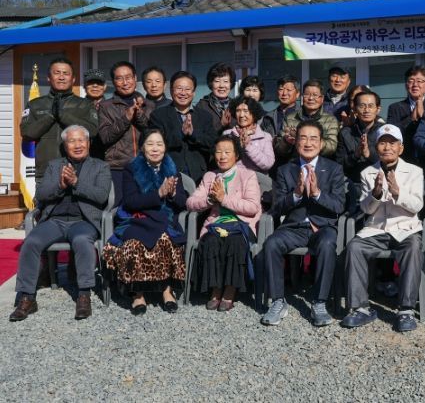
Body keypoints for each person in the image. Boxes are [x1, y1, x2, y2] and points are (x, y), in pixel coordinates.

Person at [9, 125, 111, 322]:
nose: (77, 145)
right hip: (55, 220)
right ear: (65, 146)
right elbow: (41, 194)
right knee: (31, 243)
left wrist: (76, 183)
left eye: (81, 140)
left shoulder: (101, 166)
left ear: (88, 143)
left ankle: (84, 294)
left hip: (83, 221)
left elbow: (101, 196)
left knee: (82, 241)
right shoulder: (54, 166)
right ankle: (27, 297)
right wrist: (60, 185)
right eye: (72, 141)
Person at [261, 120, 346, 327]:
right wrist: (296, 195)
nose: (308, 143)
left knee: (327, 245)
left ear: (321, 142)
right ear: (296, 141)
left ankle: (319, 302)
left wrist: (317, 194)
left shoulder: (333, 169)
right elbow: (277, 208)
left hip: (323, 227)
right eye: (303, 138)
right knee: (271, 243)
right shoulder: (284, 170)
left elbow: (339, 205)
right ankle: (278, 301)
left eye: (313, 138)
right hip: (294, 228)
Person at [341, 124, 424, 332]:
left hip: (405, 228)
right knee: (354, 248)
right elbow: (366, 209)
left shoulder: (414, 171)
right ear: (376, 147)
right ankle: (360, 308)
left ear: (401, 148)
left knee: (413, 247)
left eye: (392, 143)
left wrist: (397, 192)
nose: (387, 147)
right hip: (376, 229)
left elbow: (417, 206)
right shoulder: (368, 172)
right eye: (383, 143)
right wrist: (376, 193)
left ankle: (405, 310)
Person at [102, 129, 187, 315]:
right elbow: (131, 201)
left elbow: (182, 202)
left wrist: (172, 193)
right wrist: (158, 194)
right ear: (142, 147)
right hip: (137, 218)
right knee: (134, 244)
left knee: (165, 240)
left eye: (159, 144)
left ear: (165, 148)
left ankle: (166, 290)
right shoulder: (131, 169)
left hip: (164, 218)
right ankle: (137, 294)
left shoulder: (173, 170)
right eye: (150, 144)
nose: (155, 148)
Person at [186, 135, 262, 311]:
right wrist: (210, 201)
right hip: (215, 224)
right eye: (219, 152)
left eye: (227, 152)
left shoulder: (247, 175)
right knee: (211, 242)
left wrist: (224, 199)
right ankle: (215, 289)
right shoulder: (210, 176)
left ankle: (230, 290)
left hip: (241, 225)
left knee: (234, 243)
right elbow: (190, 203)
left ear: (236, 155)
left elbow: (252, 207)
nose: (222, 156)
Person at [20, 57, 99, 184]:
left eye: (66, 73)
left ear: (73, 79)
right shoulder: (35, 104)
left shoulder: (85, 104)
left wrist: (63, 116)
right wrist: (50, 116)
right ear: (48, 78)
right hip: (46, 172)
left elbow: (92, 131)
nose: (61, 77)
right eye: (57, 73)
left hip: (78, 172)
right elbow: (27, 133)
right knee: (47, 204)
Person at [98, 61, 155, 204]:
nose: (125, 82)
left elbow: (151, 131)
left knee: (144, 208)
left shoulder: (149, 105)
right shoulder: (105, 107)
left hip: (146, 165)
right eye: (119, 78)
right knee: (118, 210)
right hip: (118, 168)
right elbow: (105, 137)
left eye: (128, 77)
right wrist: (126, 118)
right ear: (113, 82)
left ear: (135, 78)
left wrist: (138, 113)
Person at [149, 71, 218, 184]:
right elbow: (155, 144)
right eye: (179, 88)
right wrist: (181, 133)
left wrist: (193, 134)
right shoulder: (158, 115)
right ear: (171, 91)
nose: (183, 93)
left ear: (194, 92)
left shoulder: (205, 116)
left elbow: (212, 144)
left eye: (187, 89)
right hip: (168, 175)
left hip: (198, 176)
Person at [274, 79, 339, 160]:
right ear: (302, 97)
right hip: (295, 163)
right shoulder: (290, 118)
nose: (311, 98)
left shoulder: (330, 120)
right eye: (307, 95)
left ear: (322, 99)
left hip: (321, 165)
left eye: (315, 95)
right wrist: (287, 142)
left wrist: (315, 141)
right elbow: (279, 149)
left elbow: (332, 146)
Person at [335, 89, 385, 193]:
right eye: (362, 106)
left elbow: (390, 162)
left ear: (378, 109)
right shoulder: (345, 133)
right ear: (355, 109)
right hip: (352, 185)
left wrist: (369, 154)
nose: (366, 110)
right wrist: (355, 155)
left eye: (371, 106)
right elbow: (339, 165)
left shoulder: (385, 132)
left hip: (380, 184)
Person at [387, 65, 425, 166]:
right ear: (406, 85)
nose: (415, 85)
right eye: (411, 81)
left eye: (419, 81)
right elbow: (392, 134)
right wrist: (410, 119)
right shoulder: (395, 108)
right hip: (405, 159)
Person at [223, 96, 275, 174]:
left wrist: (248, 147)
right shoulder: (227, 134)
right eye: (238, 111)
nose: (241, 115)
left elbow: (268, 163)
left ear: (254, 113)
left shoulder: (265, 136)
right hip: (234, 179)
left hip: (258, 180)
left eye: (245, 111)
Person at [195, 62, 236, 133]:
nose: (221, 85)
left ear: (231, 84)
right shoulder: (202, 106)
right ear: (211, 83)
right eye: (217, 81)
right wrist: (221, 125)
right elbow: (200, 134)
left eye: (226, 81)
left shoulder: (236, 105)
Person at [268, 75, 300, 139]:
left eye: (289, 90)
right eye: (281, 89)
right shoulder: (268, 117)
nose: (284, 93)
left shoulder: (303, 115)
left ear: (297, 94)